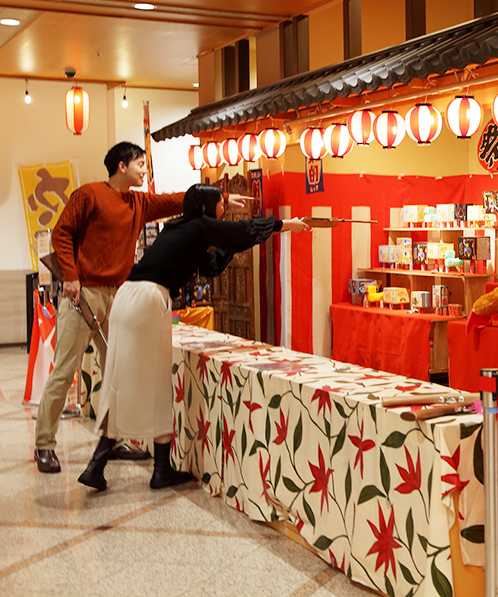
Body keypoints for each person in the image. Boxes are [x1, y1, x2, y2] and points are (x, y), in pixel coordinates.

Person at [78, 183, 309, 490]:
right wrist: (284, 225)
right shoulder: (200, 227)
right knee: (151, 383)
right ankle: (119, 466)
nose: (223, 209)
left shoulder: (177, 229)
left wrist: (230, 246)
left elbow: (210, 267)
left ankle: (121, 467)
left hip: (128, 297)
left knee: (125, 381)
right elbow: (242, 231)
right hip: (147, 299)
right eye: (220, 203)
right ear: (206, 207)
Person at [35, 142, 203, 473]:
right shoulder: (89, 195)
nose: (145, 169)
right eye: (140, 163)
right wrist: (71, 276)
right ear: (122, 166)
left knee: (119, 370)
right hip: (83, 295)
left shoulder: (139, 202)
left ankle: (113, 439)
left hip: (119, 297)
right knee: (65, 370)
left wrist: (217, 199)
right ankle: (44, 443)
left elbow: (177, 200)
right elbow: (61, 234)